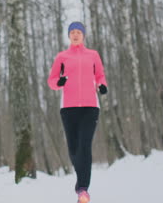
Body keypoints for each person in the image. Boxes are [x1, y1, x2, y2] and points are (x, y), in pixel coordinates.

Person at [47, 21, 108, 203]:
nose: (75, 35)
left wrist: (102, 85)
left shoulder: (93, 55)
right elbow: (52, 80)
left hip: (90, 107)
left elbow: (100, 75)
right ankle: (81, 183)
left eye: (78, 32)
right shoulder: (62, 57)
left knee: (84, 146)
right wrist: (59, 82)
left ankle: (83, 189)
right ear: (69, 36)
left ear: (83, 35)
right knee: (74, 149)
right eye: (72, 32)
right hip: (68, 108)